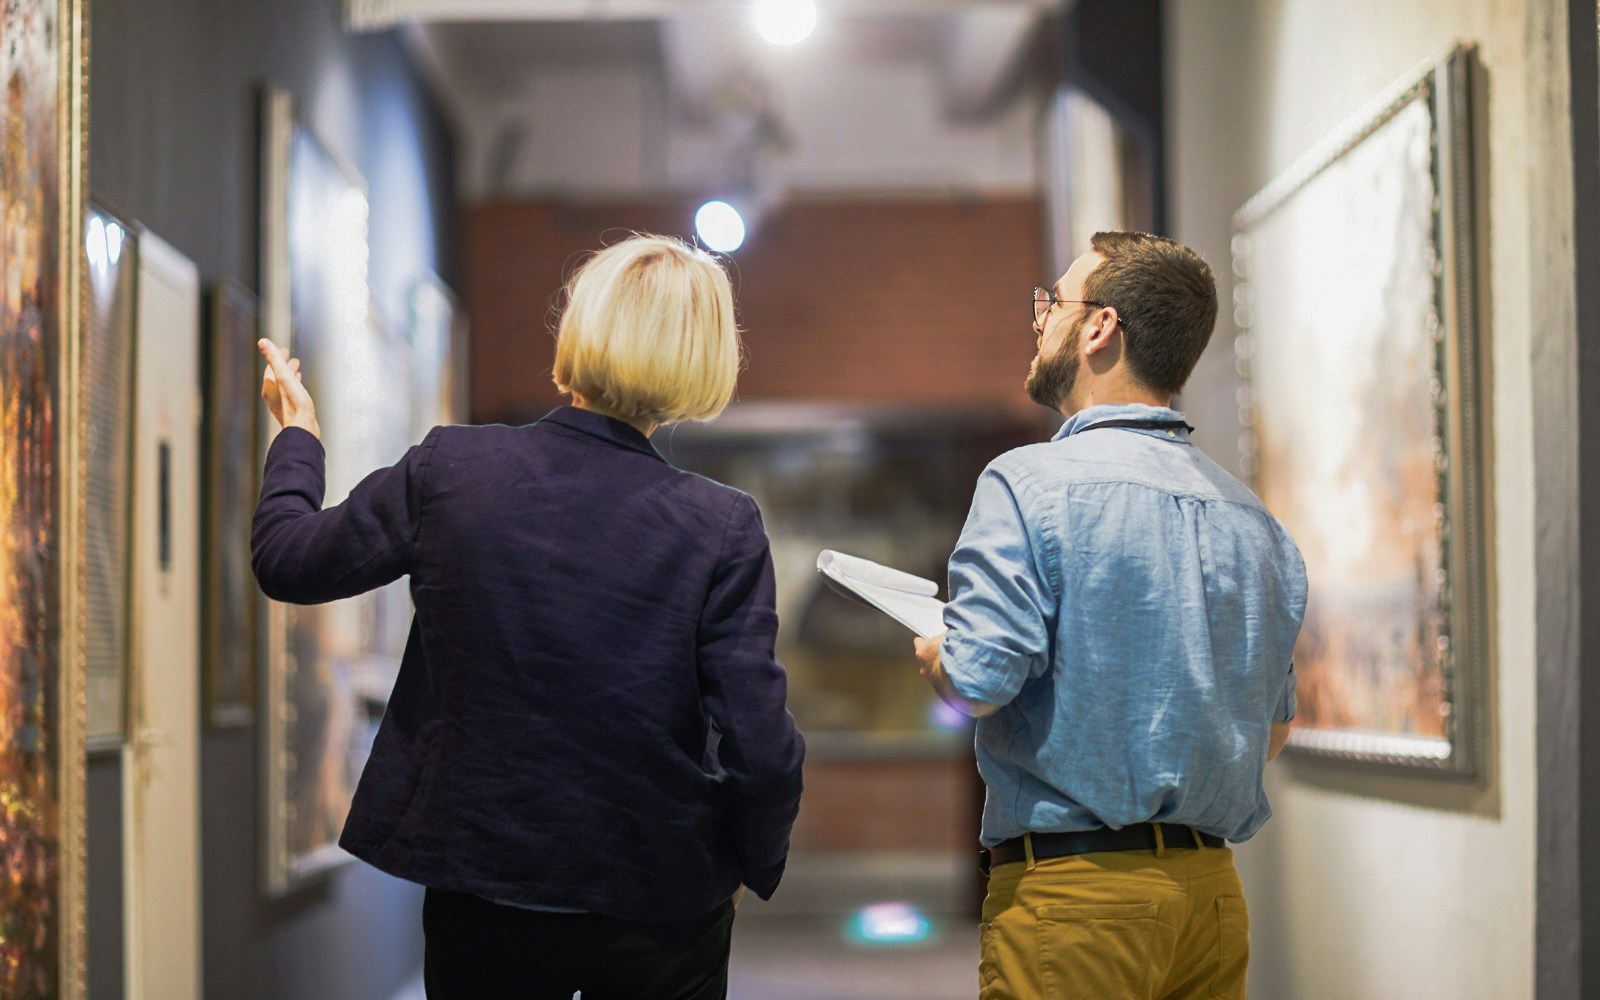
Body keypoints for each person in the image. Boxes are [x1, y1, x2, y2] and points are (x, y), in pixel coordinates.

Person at [252, 234, 805, 1000]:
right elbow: (763, 747)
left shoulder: (452, 472)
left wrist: (298, 441)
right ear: (703, 360)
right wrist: (749, 861)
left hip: (483, 889)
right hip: (659, 901)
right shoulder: (721, 526)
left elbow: (286, 558)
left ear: (580, 328)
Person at [913, 231, 1306, 1000]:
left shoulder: (1029, 483)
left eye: (1052, 302)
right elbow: (1274, 730)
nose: (1039, 321)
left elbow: (979, 679)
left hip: (1079, 897)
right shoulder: (1256, 520)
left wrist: (937, 653)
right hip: (1212, 896)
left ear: (1099, 327)